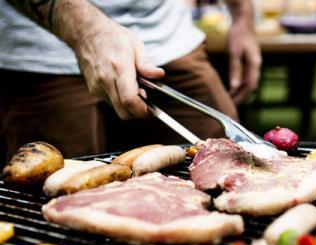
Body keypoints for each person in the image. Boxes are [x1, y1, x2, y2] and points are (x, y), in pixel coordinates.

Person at [0, 0, 261, 163]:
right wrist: (87, 32)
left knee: (235, 163)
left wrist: (241, 16)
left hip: (167, 35)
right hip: (40, 49)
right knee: (56, 192)